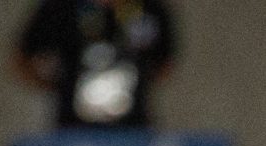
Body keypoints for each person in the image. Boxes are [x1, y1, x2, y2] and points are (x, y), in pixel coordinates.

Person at [14, 0, 178, 130]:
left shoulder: (149, 8)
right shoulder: (61, 7)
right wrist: (53, 85)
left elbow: (165, 60)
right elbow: (23, 56)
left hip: (133, 126)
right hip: (73, 128)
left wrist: (140, 82)